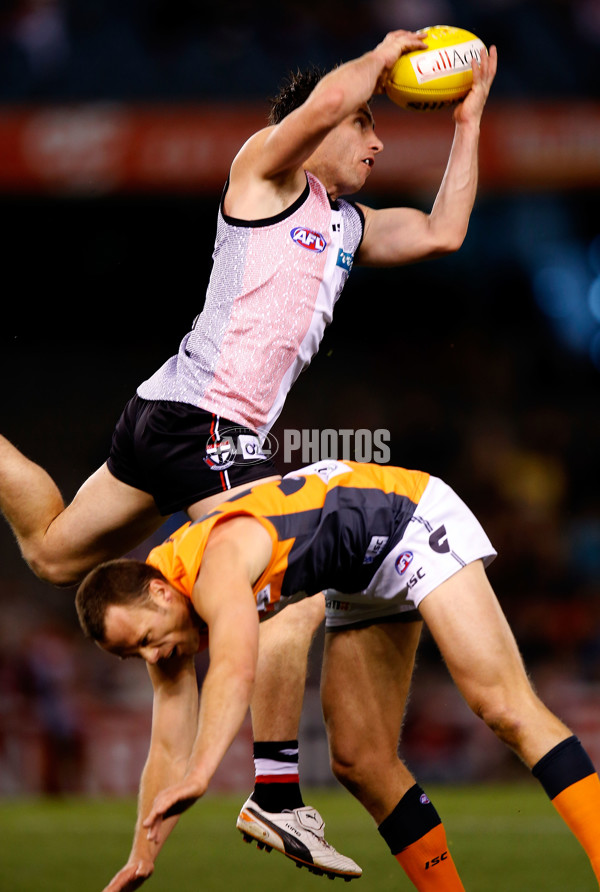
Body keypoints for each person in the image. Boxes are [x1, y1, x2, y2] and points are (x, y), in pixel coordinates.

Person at [0, 28, 497, 882]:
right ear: (322, 131)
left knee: (49, 551)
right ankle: (274, 795)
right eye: (369, 128)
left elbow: (444, 231)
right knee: (288, 598)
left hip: (164, 417)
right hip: (206, 428)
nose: (378, 142)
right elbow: (332, 102)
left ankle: (163, 832)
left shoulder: (349, 227)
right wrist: (383, 56)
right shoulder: (264, 175)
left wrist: (469, 120)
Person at [76, 458, 600, 892]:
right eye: (132, 655)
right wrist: (142, 856)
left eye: (144, 640)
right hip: (357, 573)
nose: (151, 658)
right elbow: (167, 748)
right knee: (360, 761)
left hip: (411, 519)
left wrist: (200, 775)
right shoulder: (168, 618)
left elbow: (236, 667)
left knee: (502, 706)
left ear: (160, 592)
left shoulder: (215, 567)